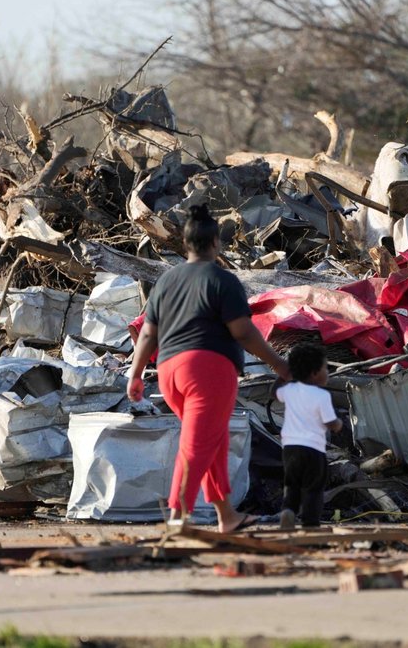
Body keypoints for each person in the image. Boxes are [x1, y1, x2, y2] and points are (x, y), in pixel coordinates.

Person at [127, 204, 290, 533]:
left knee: (212, 441)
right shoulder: (223, 280)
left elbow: (147, 332)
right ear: (216, 243)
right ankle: (176, 517)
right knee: (197, 445)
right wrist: (279, 364)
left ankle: (226, 515)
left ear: (186, 245)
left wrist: (135, 373)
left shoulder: (166, 281)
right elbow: (242, 331)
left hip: (169, 372)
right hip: (208, 370)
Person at [274, 343, 342, 530]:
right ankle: (310, 523)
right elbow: (330, 422)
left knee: (292, 484)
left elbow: (275, 393)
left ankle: (288, 510)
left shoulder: (289, 390)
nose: (327, 372)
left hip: (290, 449)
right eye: (325, 368)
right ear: (314, 373)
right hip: (314, 449)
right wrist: (338, 425)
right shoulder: (321, 395)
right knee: (314, 487)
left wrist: (283, 375)